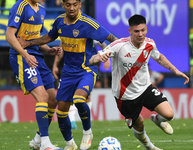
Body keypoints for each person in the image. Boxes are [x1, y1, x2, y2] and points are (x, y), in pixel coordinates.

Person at [17, 0, 118, 149]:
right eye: (68, 4)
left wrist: (107, 54)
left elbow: (113, 39)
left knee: (78, 99)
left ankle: (87, 132)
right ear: (63, 5)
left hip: (87, 69)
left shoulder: (88, 23)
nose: (72, 8)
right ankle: (69, 143)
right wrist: (28, 43)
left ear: (79, 5)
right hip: (68, 72)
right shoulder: (59, 22)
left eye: (75, 4)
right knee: (61, 111)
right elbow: (48, 38)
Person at [89, 14, 189, 150]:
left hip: (145, 88)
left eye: (143, 30)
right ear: (130, 31)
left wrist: (176, 71)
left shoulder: (150, 44)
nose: (140, 34)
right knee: (139, 124)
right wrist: (100, 58)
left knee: (169, 114)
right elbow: (92, 59)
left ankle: (157, 119)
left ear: (146, 29)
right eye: (136, 31)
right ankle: (150, 147)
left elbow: (159, 57)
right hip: (125, 96)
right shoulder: (119, 46)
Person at [5, 0, 63, 150]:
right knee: (42, 96)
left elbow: (34, 39)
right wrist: (25, 55)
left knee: (52, 99)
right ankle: (45, 143)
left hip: (37, 56)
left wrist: (49, 49)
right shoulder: (20, 6)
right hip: (21, 57)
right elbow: (9, 36)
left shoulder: (42, 10)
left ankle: (38, 139)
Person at [52, 39, 108, 130]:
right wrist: (55, 65)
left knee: (87, 95)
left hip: (88, 69)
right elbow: (61, 48)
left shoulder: (87, 29)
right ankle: (72, 120)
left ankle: (85, 120)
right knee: (73, 95)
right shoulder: (66, 31)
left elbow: (102, 43)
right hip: (71, 69)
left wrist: (106, 58)